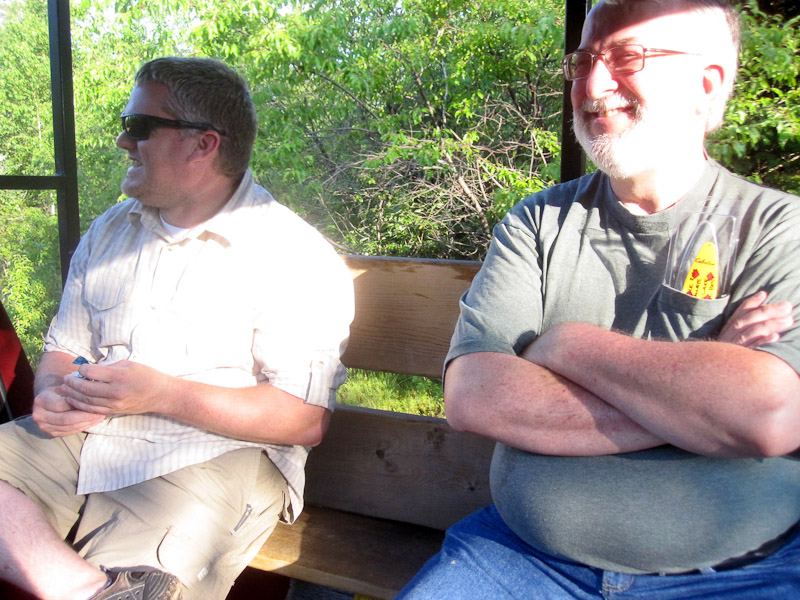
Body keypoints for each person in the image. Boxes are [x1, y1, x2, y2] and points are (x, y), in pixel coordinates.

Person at [397, 0, 800, 598]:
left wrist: (562, 345)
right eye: (584, 60)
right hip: (521, 559)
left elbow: (768, 414)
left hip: (738, 575)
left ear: (707, 84)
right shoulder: (538, 222)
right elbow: (474, 394)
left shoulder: (778, 228)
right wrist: (701, 400)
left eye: (627, 56)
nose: (591, 85)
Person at [0, 57, 354, 600]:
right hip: (83, 438)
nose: (123, 140)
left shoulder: (291, 254)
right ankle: (91, 589)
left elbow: (303, 419)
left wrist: (163, 394)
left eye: (139, 126)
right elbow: (63, 351)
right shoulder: (110, 231)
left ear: (203, 144)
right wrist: (50, 393)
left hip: (209, 456)